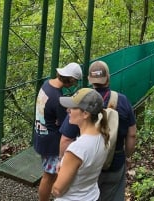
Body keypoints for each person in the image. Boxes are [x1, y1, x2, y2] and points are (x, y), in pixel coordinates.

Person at [59, 60, 137, 201]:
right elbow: (132, 134)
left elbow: (66, 139)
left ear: (89, 79)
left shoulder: (81, 102)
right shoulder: (123, 101)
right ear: (108, 77)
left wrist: (63, 163)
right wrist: (126, 156)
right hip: (115, 163)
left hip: (87, 166)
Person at [33, 62, 82, 201]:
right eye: (74, 81)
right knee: (49, 176)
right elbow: (65, 122)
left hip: (40, 136)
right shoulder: (58, 99)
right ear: (71, 79)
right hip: (51, 143)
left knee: (50, 174)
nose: (73, 85)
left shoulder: (47, 84)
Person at [52, 88, 109, 200]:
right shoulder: (103, 136)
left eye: (73, 107)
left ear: (85, 114)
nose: (68, 110)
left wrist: (53, 187)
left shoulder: (77, 149)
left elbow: (58, 190)